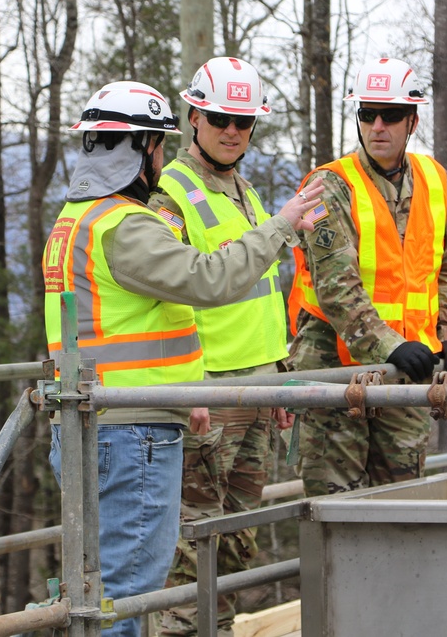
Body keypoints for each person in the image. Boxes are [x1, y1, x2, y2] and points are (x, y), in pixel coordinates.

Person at [42, 80, 321, 637]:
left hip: (103, 422)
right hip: (131, 434)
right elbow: (209, 280)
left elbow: (141, 324)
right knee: (126, 595)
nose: (163, 160)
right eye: (159, 147)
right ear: (142, 148)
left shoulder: (75, 221)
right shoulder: (126, 226)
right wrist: (282, 227)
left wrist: (188, 392)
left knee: (91, 590)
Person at [150, 57, 313, 637]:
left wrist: (278, 376)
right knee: (194, 548)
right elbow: (172, 296)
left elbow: (265, 293)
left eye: (243, 122)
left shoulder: (243, 189)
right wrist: (188, 387)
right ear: (193, 116)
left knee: (237, 544)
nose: (231, 131)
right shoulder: (169, 195)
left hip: (254, 388)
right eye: (219, 118)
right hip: (207, 395)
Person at [286, 57, 447, 497]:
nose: (378, 126)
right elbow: (336, 285)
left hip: (408, 367)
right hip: (334, 371)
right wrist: (391, 345)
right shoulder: (328, 186)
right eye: (367, 115)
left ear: (412, 120)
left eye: (390, 116)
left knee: (402, 502)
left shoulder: (436, 181)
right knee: (336, 509)